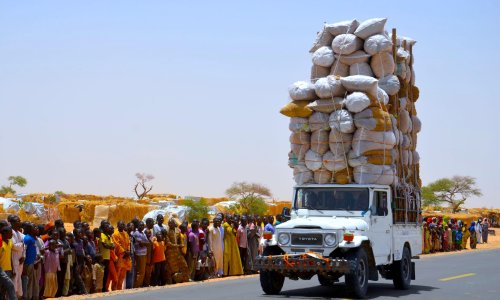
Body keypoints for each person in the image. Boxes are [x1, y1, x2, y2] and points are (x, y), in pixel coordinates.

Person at [164, 219, 189, 284]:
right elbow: (168, 243)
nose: (170, 225)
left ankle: (185, 279)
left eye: (171, 223)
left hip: (178, 252)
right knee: (170, 268)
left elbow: (180, 240)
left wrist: (181, 248)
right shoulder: (166, 231)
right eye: (169, 224)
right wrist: (178, 245)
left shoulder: (178, 230)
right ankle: (169, 282)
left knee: (184, 265)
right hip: (170, 253)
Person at [8, 215, 25, 299]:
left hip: (20, 259)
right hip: (13, 259)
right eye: (17, 221)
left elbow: (24, 246)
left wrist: (23, 256)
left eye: (19, 220)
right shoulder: (10, 232)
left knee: (18, 279)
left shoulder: (19, 233)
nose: (19, 222)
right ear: (12, 223)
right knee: (14, 280)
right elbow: (14, 246)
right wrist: (23, 244)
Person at [112, 221, 131, 290]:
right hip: (120, 256)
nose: (123, 225)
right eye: (121, 224)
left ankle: (119, 289)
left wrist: (128, 251)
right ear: (117, 225)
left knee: (123, 275)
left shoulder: (125, 233)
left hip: (126, 257)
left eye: (123, 224)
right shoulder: (115, 234)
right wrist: (124, 252)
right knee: (117, 274)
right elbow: (117, 244)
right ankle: (114, 289)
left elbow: (129, 243)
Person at [0, 225, 17, 300]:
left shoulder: (10, 242)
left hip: (8, 269)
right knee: (10, 285)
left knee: (4, 291)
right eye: (10, 233)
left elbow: (10, 256)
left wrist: (12, 268)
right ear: (4, 233)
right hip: (1, 270)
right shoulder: (0, 243)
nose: (12, 234)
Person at [132, 221, 149, 288]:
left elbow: (148, 243)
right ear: (138, 226)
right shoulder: (136, 233)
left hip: (144, 254)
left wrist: (144, 243)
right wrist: (145, 243)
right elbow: (141, 244)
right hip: (139, 254)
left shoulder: (143, 233)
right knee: (140, 271)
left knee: (142, 271)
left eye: (143, 225)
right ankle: (137, 285)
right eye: (140, 225)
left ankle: (139, 284)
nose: (142, 227)